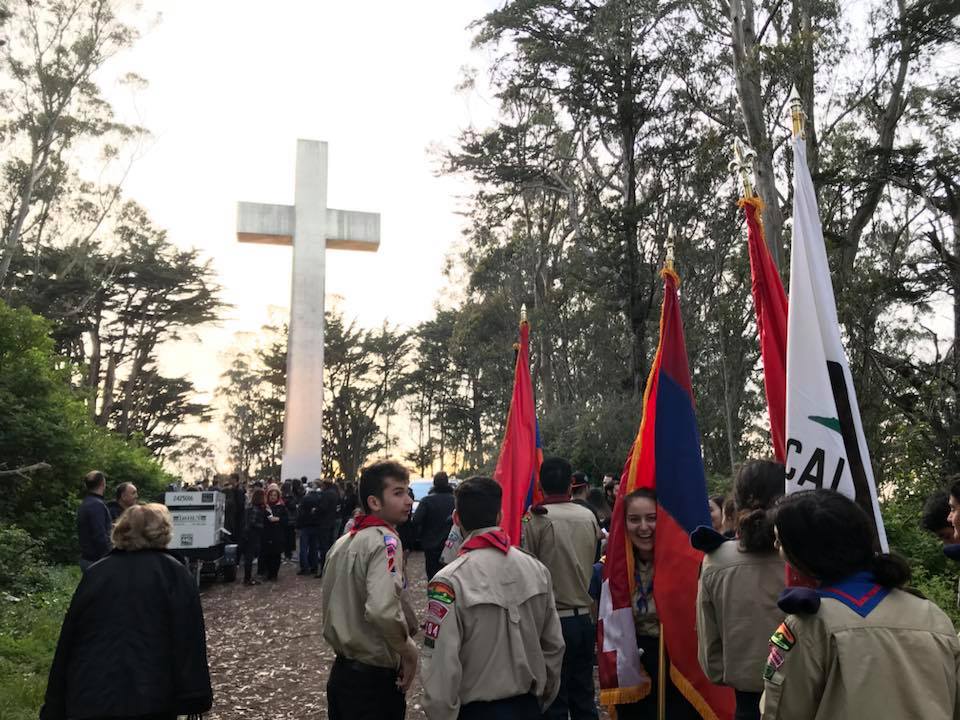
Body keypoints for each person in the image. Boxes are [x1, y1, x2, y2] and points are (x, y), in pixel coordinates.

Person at [762, 489, 960, 719]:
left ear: (804, 551)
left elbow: (781, 712)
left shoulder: (810, 625)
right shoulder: (932, 615)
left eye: (780, 541)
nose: (776, 547)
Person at [40, 504, 212, 720]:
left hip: (91, 692)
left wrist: (54, 704)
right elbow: (189, 638)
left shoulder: (96, 573)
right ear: (163, 531)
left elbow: (69, 640)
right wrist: (194, 695)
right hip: (152, 696)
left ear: (121, 530)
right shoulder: (175, 574)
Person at [421, 476, 565, 719]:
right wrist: (542, 697)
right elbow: (553, 645)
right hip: (528, 706)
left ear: (456, 518)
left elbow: (441, 666)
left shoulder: (448, 582)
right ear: (500, 515)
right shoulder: (536, 569)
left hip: (477, 711)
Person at [321, 460, 419, 720]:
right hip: (373, 684)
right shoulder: (385, 541)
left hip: (342, 676)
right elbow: (382, 610)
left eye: (408, 492)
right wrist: (409, 651)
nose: (408, 500)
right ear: (374, 502)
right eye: (398, 493)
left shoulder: (344, 542)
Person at [695, 461, 786, 720]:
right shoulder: (804, 558)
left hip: (747, 703)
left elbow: (710, 653)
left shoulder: (715, 560)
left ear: (735, 504)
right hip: (805, 701)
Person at [523, 457, 601, 720]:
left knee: (553, 699)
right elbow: (593, 561)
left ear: (540, 484)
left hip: (552, 622)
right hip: (585, 619)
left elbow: (528, 569)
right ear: (570, 484)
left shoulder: (535, 520)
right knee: (584, 696)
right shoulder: (588, 516)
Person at [610, 489, 698, 719]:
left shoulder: (686, 565)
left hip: (678, 662)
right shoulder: (616, 570)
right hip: (634, 663)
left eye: (651, 518)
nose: (643, 527)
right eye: (634, 519)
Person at [413, 470, 457, 580]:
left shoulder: (426, 501)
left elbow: (416, 520)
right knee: (450, 576)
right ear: (447, 483)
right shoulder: (455, 500)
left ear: (434, 483)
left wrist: (421, 535)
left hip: (430, 545)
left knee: (432, 576)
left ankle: (433, 590)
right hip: (451, 543)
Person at [76, 470, 112, 572]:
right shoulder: (96, 505)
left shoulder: (86, 503)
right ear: (103, 483)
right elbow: (99, 535)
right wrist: (109, 557)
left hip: (88, 559)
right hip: (96, 561)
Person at [261, 483, 288, 581]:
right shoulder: (265, 507)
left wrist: (278, 519)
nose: (273, 497)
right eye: (271, 495)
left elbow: (286, 520)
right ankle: (267, 573)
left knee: (276, 555)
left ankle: (274, 574)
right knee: (267, 554)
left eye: (275, 495)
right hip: (267, 534)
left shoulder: (282, 507)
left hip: (277, 534)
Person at [297, 481, 325, 576]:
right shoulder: (320, 498)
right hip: (316, 525)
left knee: (304, 548)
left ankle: (305, 568)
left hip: (305, 525)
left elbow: (300, 513)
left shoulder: (305, 499)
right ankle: (314, 567)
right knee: (314, 548)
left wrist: (299, 525)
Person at [243, 488, 267, 586]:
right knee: (250, 557)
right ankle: (247, 578)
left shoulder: (251, 506)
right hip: (252, 534)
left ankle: (248, 578)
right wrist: (262, 525)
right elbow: (252, 522)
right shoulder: (256, 509)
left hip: (249, 534)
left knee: (249, 557)